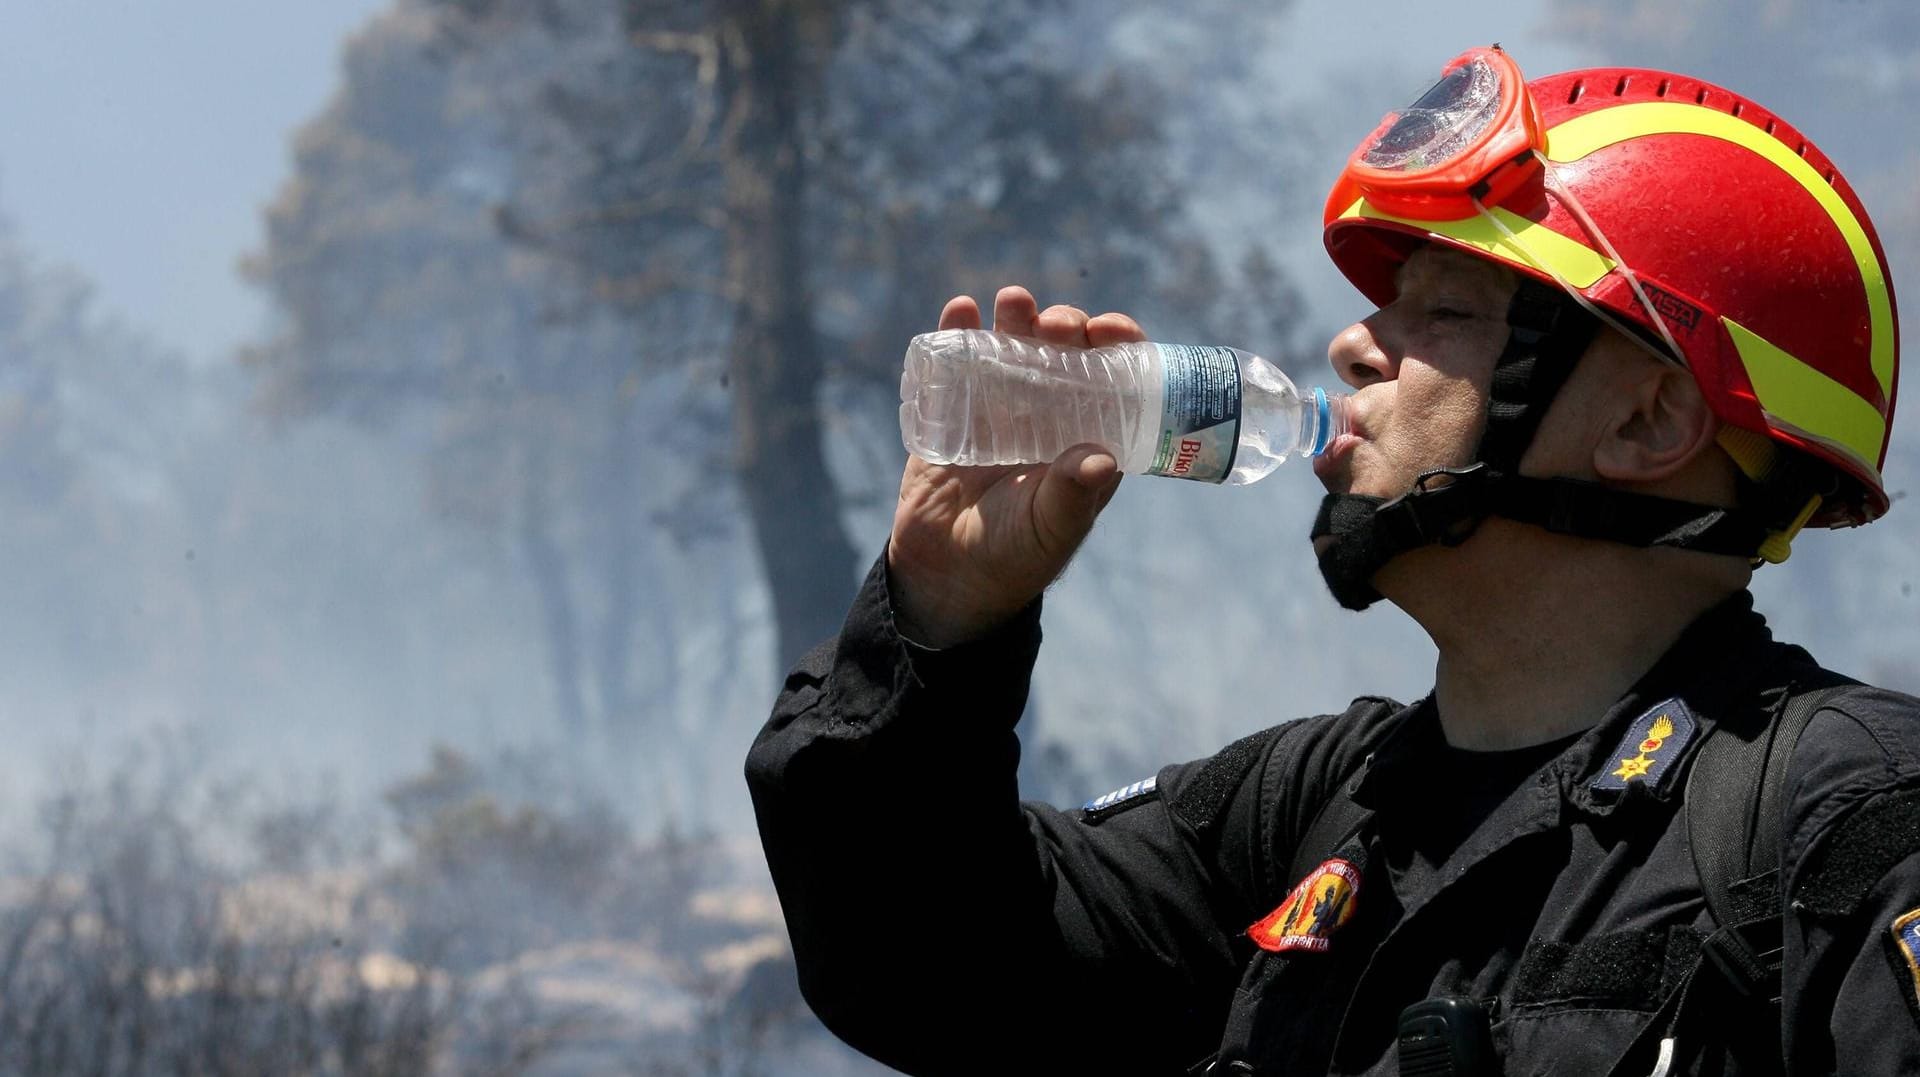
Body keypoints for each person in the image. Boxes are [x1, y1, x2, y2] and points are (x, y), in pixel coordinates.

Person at [745, 46, 1913, 1075]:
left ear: (1648, 425)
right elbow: (928, 977)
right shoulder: (1305, 813)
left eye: (1446, 313)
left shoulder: (1850, 819)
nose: (1355, 344)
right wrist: (941, 626)